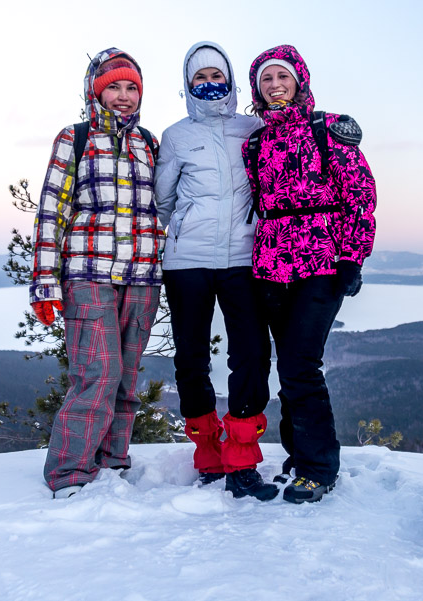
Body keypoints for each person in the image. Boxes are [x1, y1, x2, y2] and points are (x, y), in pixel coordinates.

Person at [242, 45, 376, 504]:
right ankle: (299, 455)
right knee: (288, 365)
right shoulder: (255, 142)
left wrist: (353, 258)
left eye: (282, 76)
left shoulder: (328, 128)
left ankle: (319, 467)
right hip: (271, 261)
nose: (275, 85)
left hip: (321, 259)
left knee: (301, 364)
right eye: (265, 80)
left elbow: (361, 195)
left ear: (299, 79)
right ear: (257, 90)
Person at [30, 48, 164, 499]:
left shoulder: (149, 143)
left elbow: (161, 213)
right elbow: (52, 213)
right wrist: (45, 283)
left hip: (143, 278)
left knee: (126, 378)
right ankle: (70, 473)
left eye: (132, 88)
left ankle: (112, 463)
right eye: (114, 87)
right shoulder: (77, 137)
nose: (123, 96)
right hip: (88, 273)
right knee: (97, 374)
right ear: (96, 90)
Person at [154, 42, 277, 502]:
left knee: (250, 352)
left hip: (244, 257)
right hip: (188, 260)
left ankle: (242, 457)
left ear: (229, 80)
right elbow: (163, 200)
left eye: (216, 75)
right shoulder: (176, 135)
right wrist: (188, 226)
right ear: (188, 85)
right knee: (191, 355)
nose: (209, 83)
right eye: (199, 77)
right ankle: (207, 450)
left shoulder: (254, 127)